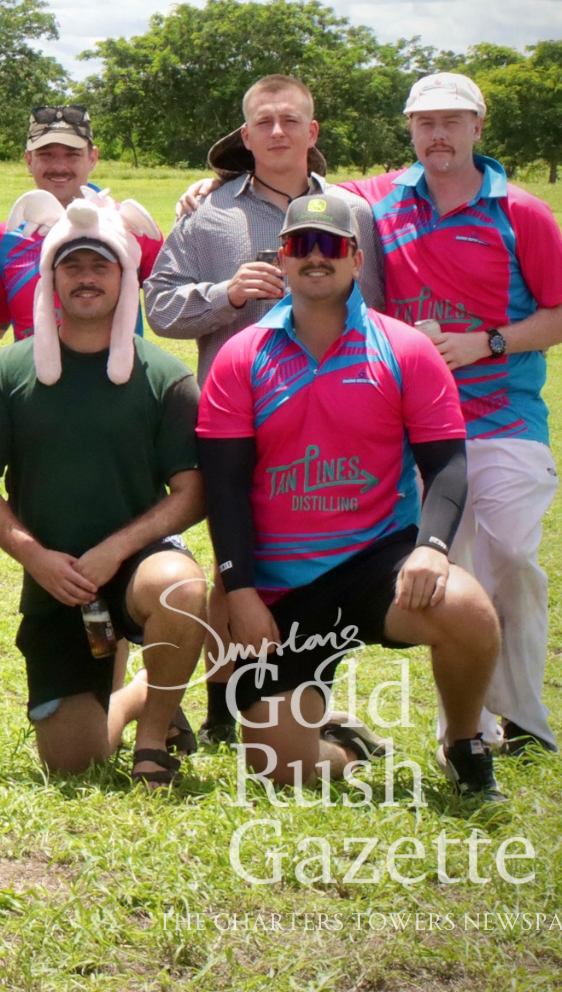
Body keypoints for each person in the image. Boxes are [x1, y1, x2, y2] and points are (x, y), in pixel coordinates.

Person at [196, 190, 506, 801]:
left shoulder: (405, 348)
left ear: (356, 258)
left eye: (331, 245)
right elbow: (225, 486)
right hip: (282, 585)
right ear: (280, 258)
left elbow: (446, 465)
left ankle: (463, 743)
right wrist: (242, 594)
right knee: (280, 770)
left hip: (376, 564)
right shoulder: (242, 355)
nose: (316, 257)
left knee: (468, 610)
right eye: (300, 245)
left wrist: (434, 548)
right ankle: (345, 747)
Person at [334, 74, 562, 756]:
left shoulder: (522, 212)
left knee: (510, 556)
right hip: (420, 426)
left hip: (506, 417)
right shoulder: (382, 198)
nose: (437, 135)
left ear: (478, 125)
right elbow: (305, 177)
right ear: (411, 130)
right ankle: (462, 731)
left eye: (451, 121)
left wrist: (488, 341)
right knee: (452, 570)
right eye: (424, 123)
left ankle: (525, 716)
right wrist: (212, 184)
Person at [143, 73, 380, 743]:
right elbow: (159, 307)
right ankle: (225, 701)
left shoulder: (351, 212)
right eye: (264, 122)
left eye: (290, 120)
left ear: (313, 131)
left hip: (332, 419)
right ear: (245, 136)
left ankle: (306, 695)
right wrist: (225, 292)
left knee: (318, 556)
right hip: (236, 418)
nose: (278, 132)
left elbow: (378, 311)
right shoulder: (209, 213)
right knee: (233, 556)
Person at [0, 193, 208, 787]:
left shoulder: (166, 377)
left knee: (181, 586)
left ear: (125, 277)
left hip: (136, 566)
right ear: (49, 278)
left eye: (101, 265)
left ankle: (153, 744)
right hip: (56, 582)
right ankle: (137, 696)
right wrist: (34, 557)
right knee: (73, 765)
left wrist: (118, 549)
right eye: (72, 266)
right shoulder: (7, 372)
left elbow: (193, 492)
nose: (86, 278)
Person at [0, 105, 163, 343]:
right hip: (32, 379)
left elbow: (170, 311)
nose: (59, 166)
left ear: (93, 158)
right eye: (46, 154)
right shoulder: (7, 237)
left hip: (118, 377)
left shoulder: (132, 226)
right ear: (28, 160)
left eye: (72, 154)